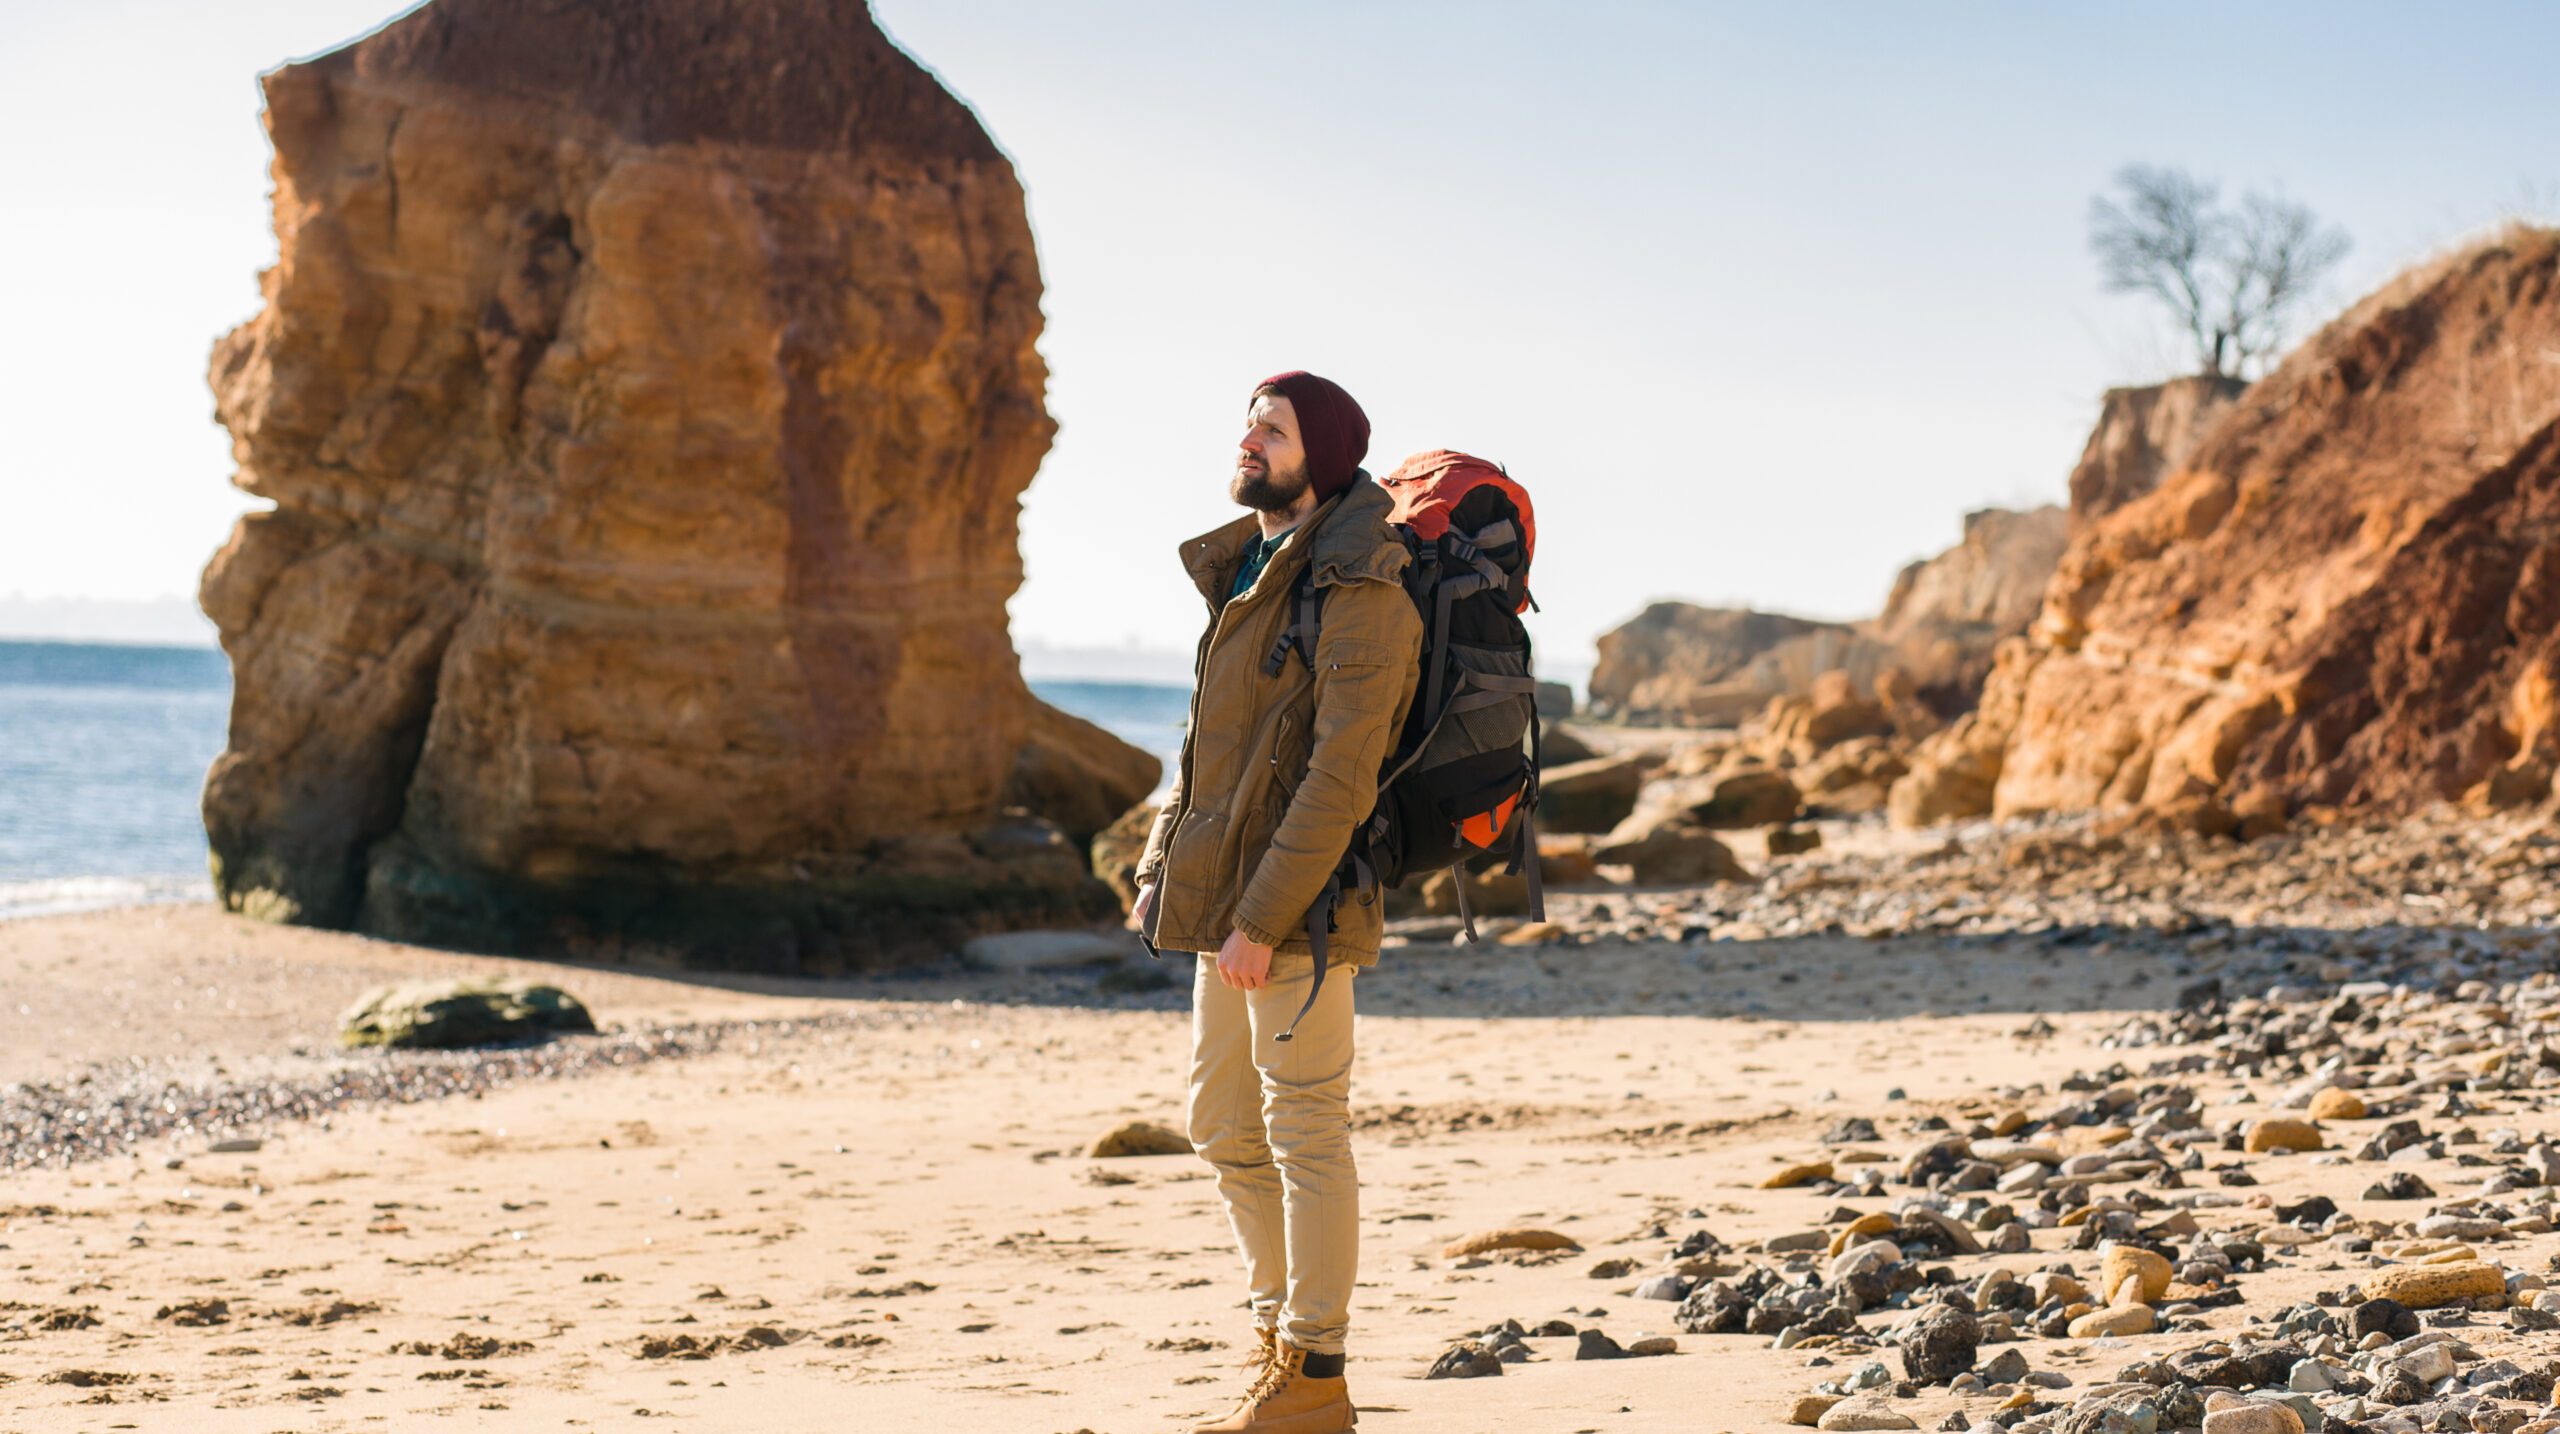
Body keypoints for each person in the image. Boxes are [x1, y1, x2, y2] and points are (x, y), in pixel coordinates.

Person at [1131, 370, 1421, 1434]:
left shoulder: (1363, 589)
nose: (1250, 439)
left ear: (1324, 457)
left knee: (1304, 1128)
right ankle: (1277, 1335)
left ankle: (1316, 1372)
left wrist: (1260, 917)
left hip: (1297, 908)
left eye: (1274, 427)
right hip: (1224, 904)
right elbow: (1208, 747)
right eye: (1249, 422)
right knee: (1220, 1124)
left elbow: (1339, 777)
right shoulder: (1255, 567)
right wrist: (1164, 862)